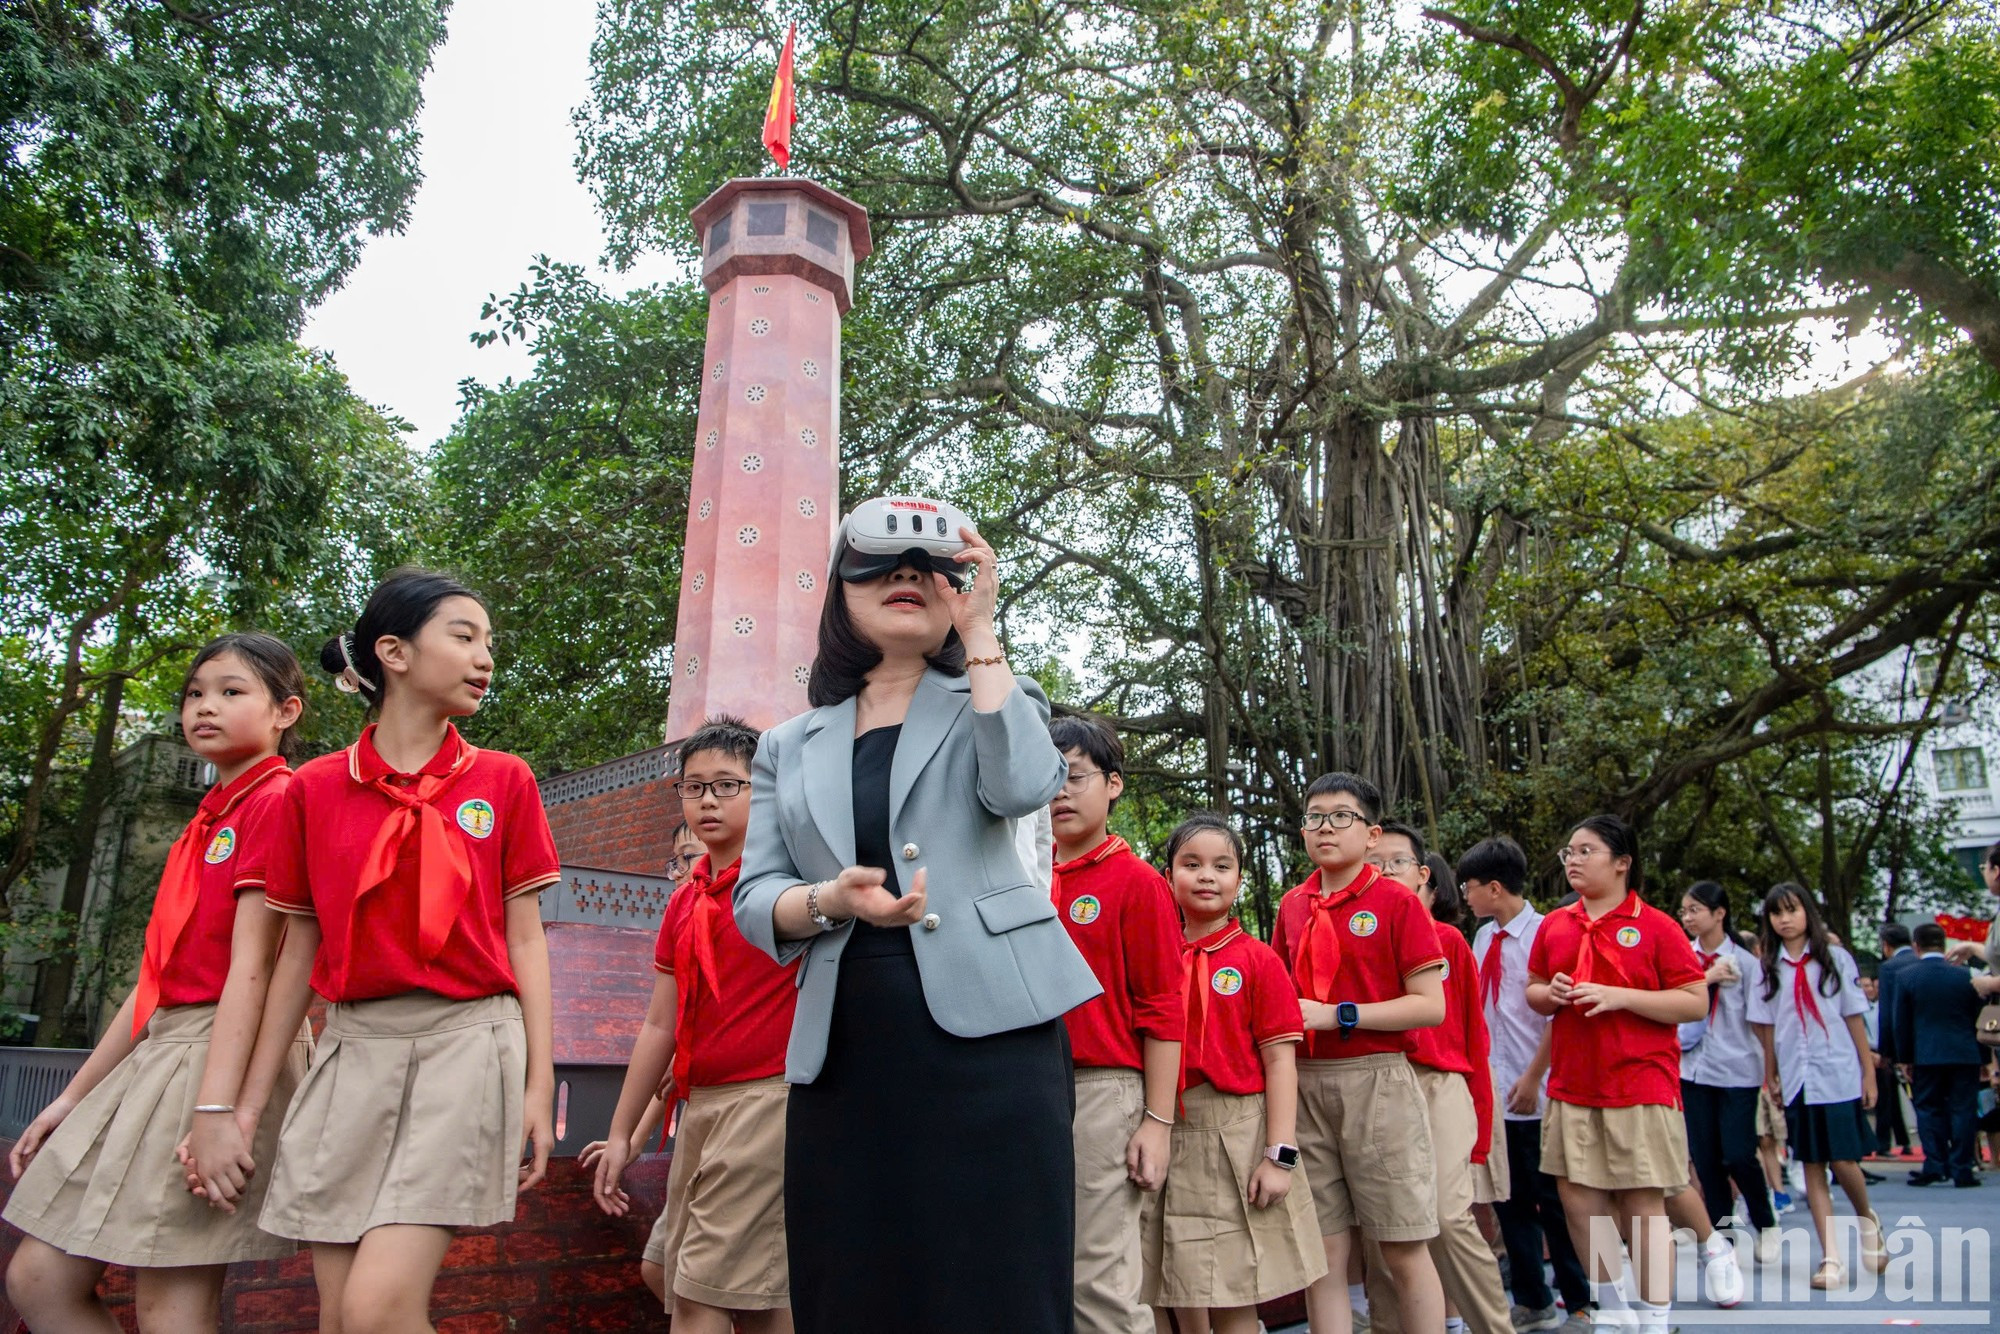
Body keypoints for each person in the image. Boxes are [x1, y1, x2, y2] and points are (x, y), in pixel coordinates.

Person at [734, 506, 1100, 1334]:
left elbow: (1019, 788)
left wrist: (982, 635)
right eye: (877, 564)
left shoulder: (996, 690)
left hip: (996, 1045)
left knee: (1003, 1286)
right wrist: (831, 900)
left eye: (927, 566)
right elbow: (756, 898)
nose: (904, 576)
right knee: (853, 1284)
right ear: (839, 593)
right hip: (848, 1050)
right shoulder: (788, 745)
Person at [194, 569, 562, 1332]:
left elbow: (526, 940)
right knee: (336, 1319)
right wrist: (244, 1109)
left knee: (376, 1311)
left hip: (467, 1041)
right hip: (352, 1049)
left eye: (488, 643)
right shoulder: (313, 789)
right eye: (464, 637)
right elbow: (296, 962)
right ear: (392, 652)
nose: (484, 658)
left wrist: (538, 1082)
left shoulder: (503, 781)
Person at [5, 634, 311, 1333]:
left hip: (217, 1053)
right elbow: (154, 983)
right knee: (39, 1279)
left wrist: (218, 1110)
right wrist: (72, 1099)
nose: (205, 707)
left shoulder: (277, 801)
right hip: (165, 1044)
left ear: (285, 711)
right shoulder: (203, 822)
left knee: (170, 1306)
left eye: (232, 692)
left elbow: (255, 969)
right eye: (195, 694)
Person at [593, 716, 795, 1332]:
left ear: (766, 789)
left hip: (769, 1101)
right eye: (694, 785)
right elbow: (661, 1023)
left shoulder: (786, 887)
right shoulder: (686, 898)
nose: (708, 799)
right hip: (700, 1106)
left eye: (729, 784)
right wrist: (622, 1132)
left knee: (700, 1294)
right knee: (710, 1285)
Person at [1270, 774, 1447, 1334]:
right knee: (1322, 1254)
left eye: (1341, 816)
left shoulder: (1398, 902)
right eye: (1315, 816)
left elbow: (1429, 1006)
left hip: (1379, 1082)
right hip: (1305, 1083)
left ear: (1371, 835)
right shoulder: (1293, 905)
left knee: (1401, 1247)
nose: (1326, 827)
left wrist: (1340, 1013)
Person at [1142, 814, 1326, 1333]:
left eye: (1222, 866)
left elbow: (1280, 1062)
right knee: (1165, 1284)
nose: (1207, 876)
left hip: (1235, 1134)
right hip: (1161, 1123)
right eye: (1191, 864)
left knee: (1231, 1291)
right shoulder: (1152, 953)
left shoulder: (1258, 960)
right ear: (1167, 874)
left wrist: (1280, 1155)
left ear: (1240, 880)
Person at [1526, 815, 1706, 1334]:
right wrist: (1551, 993)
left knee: (1643, 1203)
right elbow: (1534, 989)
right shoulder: (1555, 925)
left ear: (1622, 862)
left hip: (1639, 1084)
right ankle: (1611, 1308)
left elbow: (1694, 1001)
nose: (1573, 860)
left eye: (1587, 851)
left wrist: (1619, 996)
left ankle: (1655, 1317)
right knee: (1579, 1202)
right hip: (1573, 1084)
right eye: (1569, 851)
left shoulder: (1657, 926)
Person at [1046, 713, 1185, 1334]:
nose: (1059, 793)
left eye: (1075, 777)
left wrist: (1156, 1122)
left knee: (1096, 1283)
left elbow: (1164, 1011)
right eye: (1046, 777)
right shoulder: (1018, 873)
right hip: (1022, 1091)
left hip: (1103, 1095)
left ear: (1114, 785)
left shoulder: (1137, 883)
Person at [1359, 824, 1513, 1334]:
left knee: (1449, 1216)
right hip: (1376, 1085)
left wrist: (1482, 1129)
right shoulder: (1354, 938)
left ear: (1423, 874)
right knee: (1385, 1228)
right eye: (1373, 865)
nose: (1383, 874)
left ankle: (1493, 1325)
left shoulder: (1447, 940)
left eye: (1396, 863)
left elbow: (1475, 1039)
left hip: (1439, 1085)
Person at [1462, 836, 1590, 1334]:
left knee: (1556, 1201)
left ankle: (1579, 1298)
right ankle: (1533, 1299)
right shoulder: (1481, 939)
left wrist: (1534, 1077)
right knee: (1509, 1198)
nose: (1466, 896)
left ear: (1495, 888)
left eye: (1471, 887)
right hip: (1497, 1090)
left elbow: (1560, 1017)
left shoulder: (1548, 933)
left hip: (1540, 1088)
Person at [1748, 883, 1886, 1290]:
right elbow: (1768, 1026)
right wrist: (1769, 1074)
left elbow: (1854, 1016)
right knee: (1811, 1165)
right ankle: (1831, 1258)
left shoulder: (1835, 959)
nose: (1785, 919)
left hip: (1837, 1072)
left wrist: (1868, 1072)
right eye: (1776, 913)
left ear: (1807, 911)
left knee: (1843, 1161)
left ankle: (1866, 1218)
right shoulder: (1767, 965)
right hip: (1796, 1077)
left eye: (1791, 910)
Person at [1674, 881, 1777, 1268]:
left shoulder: (1747, 964)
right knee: (1706, 1157)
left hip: (1737, 1069)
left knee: (1737, 1153)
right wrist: (1707, 979)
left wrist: (1771, 1071)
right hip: (1693, 1068)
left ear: (1720, 913)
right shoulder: (1683, 956)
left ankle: (1765, 1221)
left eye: (1695, 909)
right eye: (1684, 911)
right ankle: (1723, 1237)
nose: (1688, 917)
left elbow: (1762, 1021)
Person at [1892, 922, 2000, 1188]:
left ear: (1916, 946)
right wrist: (1985, 1058)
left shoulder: (1907, 976)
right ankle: (1962, 1168)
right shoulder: (1966, 976)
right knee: (1963, 1109)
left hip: (1925, 1054)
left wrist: (1904, 1058)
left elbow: (1901, 1022)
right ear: (1944, 946)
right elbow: (1981, 1019)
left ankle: (1934, 1165)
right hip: (1964, 1053)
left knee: (1928, 1109)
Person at [1874, 923, 1918, 1156]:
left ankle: (1884, 1143)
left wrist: (1886, 1051)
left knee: (1890, 1099)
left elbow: (1888, 1013)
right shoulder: (1922, 962)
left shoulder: (1890, 968)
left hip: (1903, 1047)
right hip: (1930, 1042)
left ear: (1887, 946)